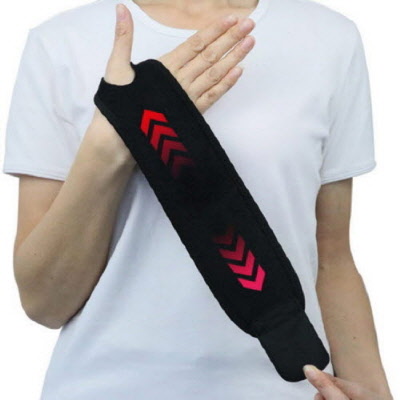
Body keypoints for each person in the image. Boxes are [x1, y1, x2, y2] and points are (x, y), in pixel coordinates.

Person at [1, 0, 393, 399]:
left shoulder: (329, 39)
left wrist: (374, 389)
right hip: (104, 386)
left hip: (285, 387)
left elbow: (331, 260)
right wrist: (111, 143)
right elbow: (44, 303)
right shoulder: (61, 43)